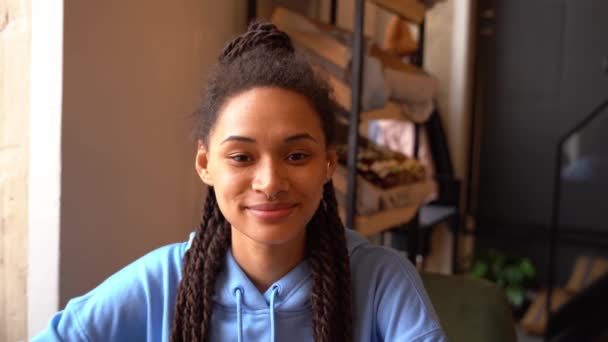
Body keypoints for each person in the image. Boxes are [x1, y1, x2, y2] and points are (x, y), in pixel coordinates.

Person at [34, 22, 446, 342]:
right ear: (205, 164)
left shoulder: (380, 281)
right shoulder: (161, 282)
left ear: (328, 163)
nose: (269, 182)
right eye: (241, 157)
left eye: (297, 155)